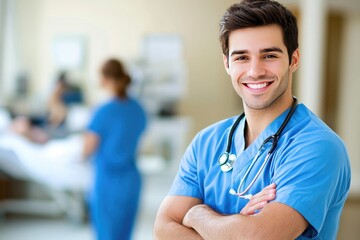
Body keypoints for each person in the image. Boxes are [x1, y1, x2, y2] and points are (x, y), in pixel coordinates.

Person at [154, 0, 351, 239]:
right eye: (242, 57)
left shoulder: (318, 147)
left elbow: (255, 237)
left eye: (269, 55)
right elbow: (164, 228)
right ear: (227, 64)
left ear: (294, 59)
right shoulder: (206, 143)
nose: (255, 71)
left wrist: (197, 215)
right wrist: (233, 229)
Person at [84, 59, 147, 240]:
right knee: (124, 234)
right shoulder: (138, 109)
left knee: (106, 234)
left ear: (104, 79)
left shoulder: (102, 111)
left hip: (107, 182)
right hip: (131, 180)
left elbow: (87, 148)